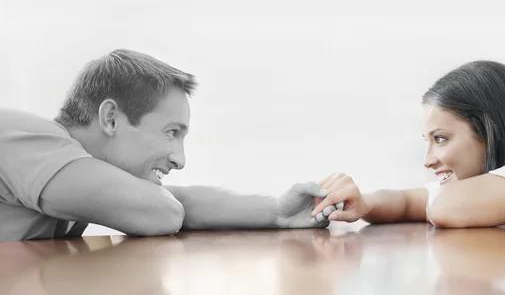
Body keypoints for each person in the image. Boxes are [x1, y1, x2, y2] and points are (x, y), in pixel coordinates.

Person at [0, 49, 330, 242]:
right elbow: (159, 211)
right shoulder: (20, 136)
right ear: (111, 118)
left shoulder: (73, 172)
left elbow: (171, 203)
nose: (180, 159)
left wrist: (277, 213)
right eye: (171, 132)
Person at [311, 60, 505, 227]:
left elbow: (445, 206)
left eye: (440, 139)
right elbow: (409, 201)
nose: (427, 160)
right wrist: (363, 203)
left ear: (492, 130)